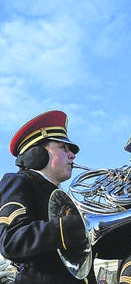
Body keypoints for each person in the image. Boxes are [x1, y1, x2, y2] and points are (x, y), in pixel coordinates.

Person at [0, 110, 97, 284]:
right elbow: (12, 240)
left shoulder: (65, 197)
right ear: (38, 154)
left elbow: (115, 250)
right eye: (63, 148)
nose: (72, 155)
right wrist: (79, 223)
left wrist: (129, 212)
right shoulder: (18, 181)